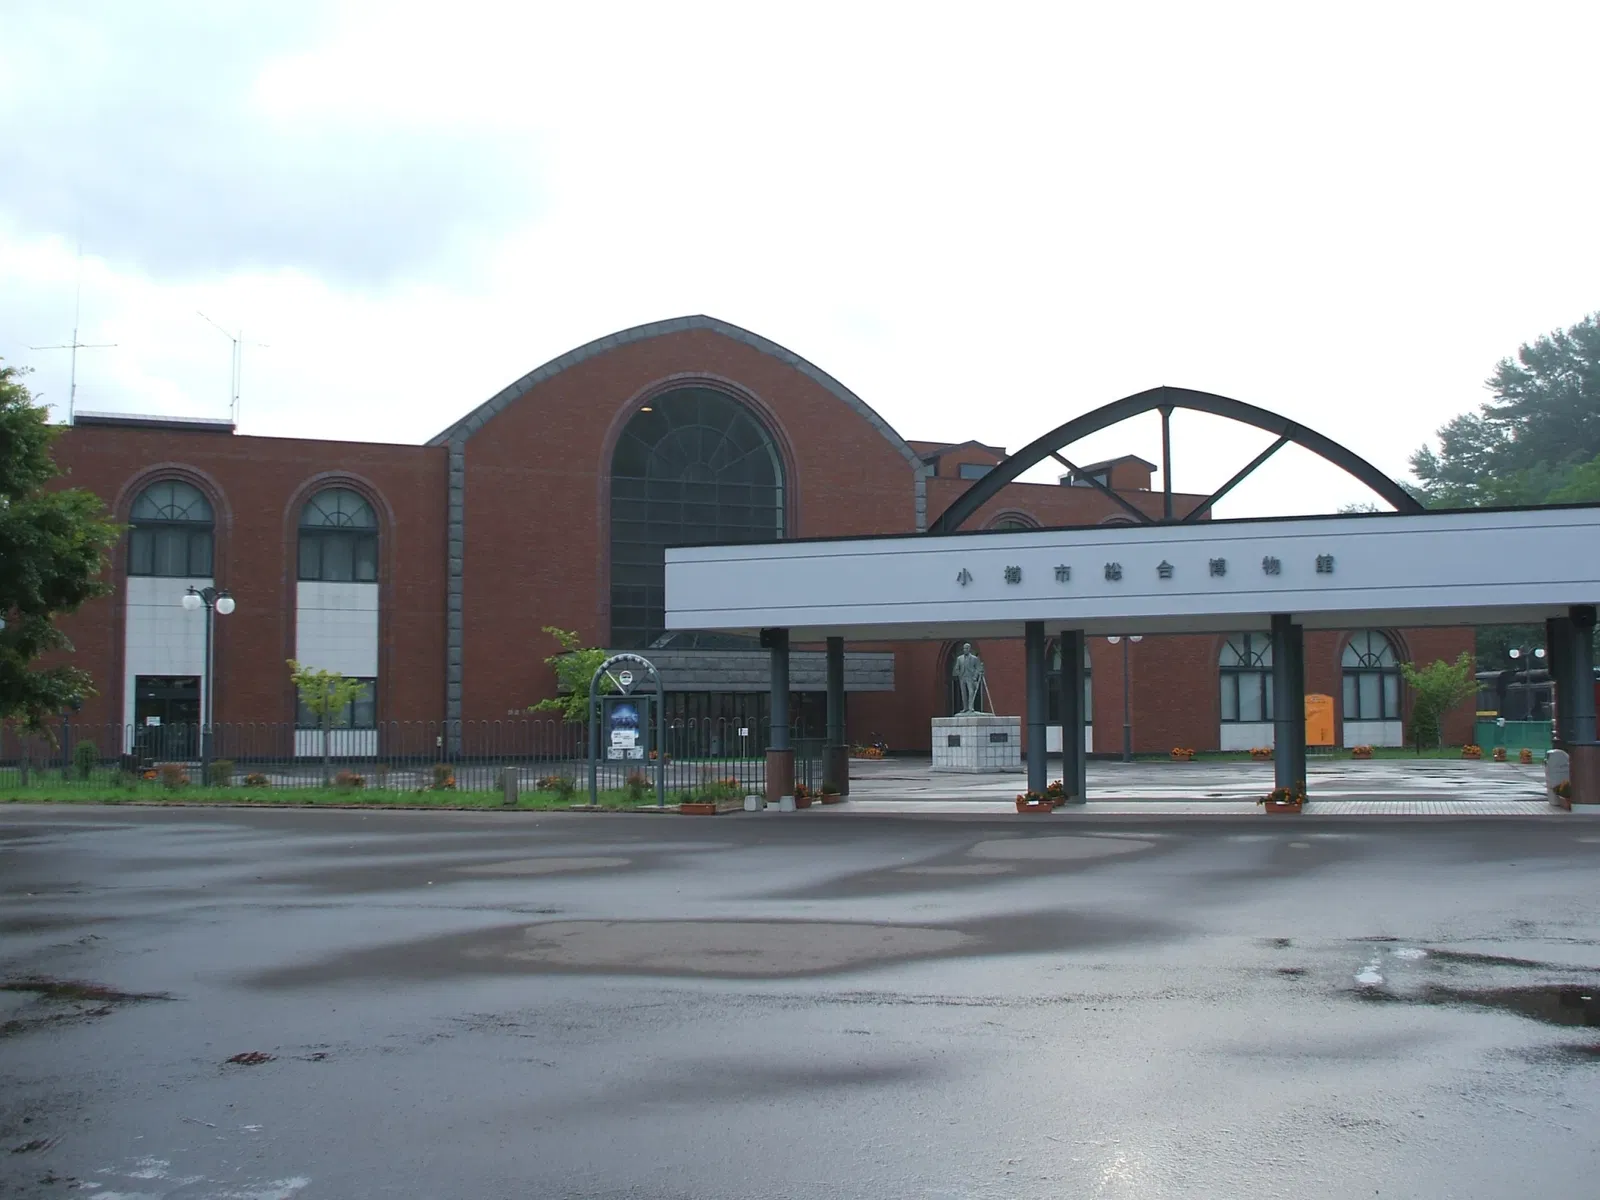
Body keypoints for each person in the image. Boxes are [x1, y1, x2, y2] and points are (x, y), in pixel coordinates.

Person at [952, 643, 989, 713]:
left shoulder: (974, 658)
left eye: (966, 648)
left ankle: (971, 707)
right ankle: (965, 708)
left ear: (969, 649)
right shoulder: (959, 658)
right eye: (964, 648)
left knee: (971, 692)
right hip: (962, 677)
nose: (964, 650)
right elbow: (956, 668)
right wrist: (959, 674)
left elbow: (978, 668)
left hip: (970, 677)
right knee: (963, 693)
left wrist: (975, 677)